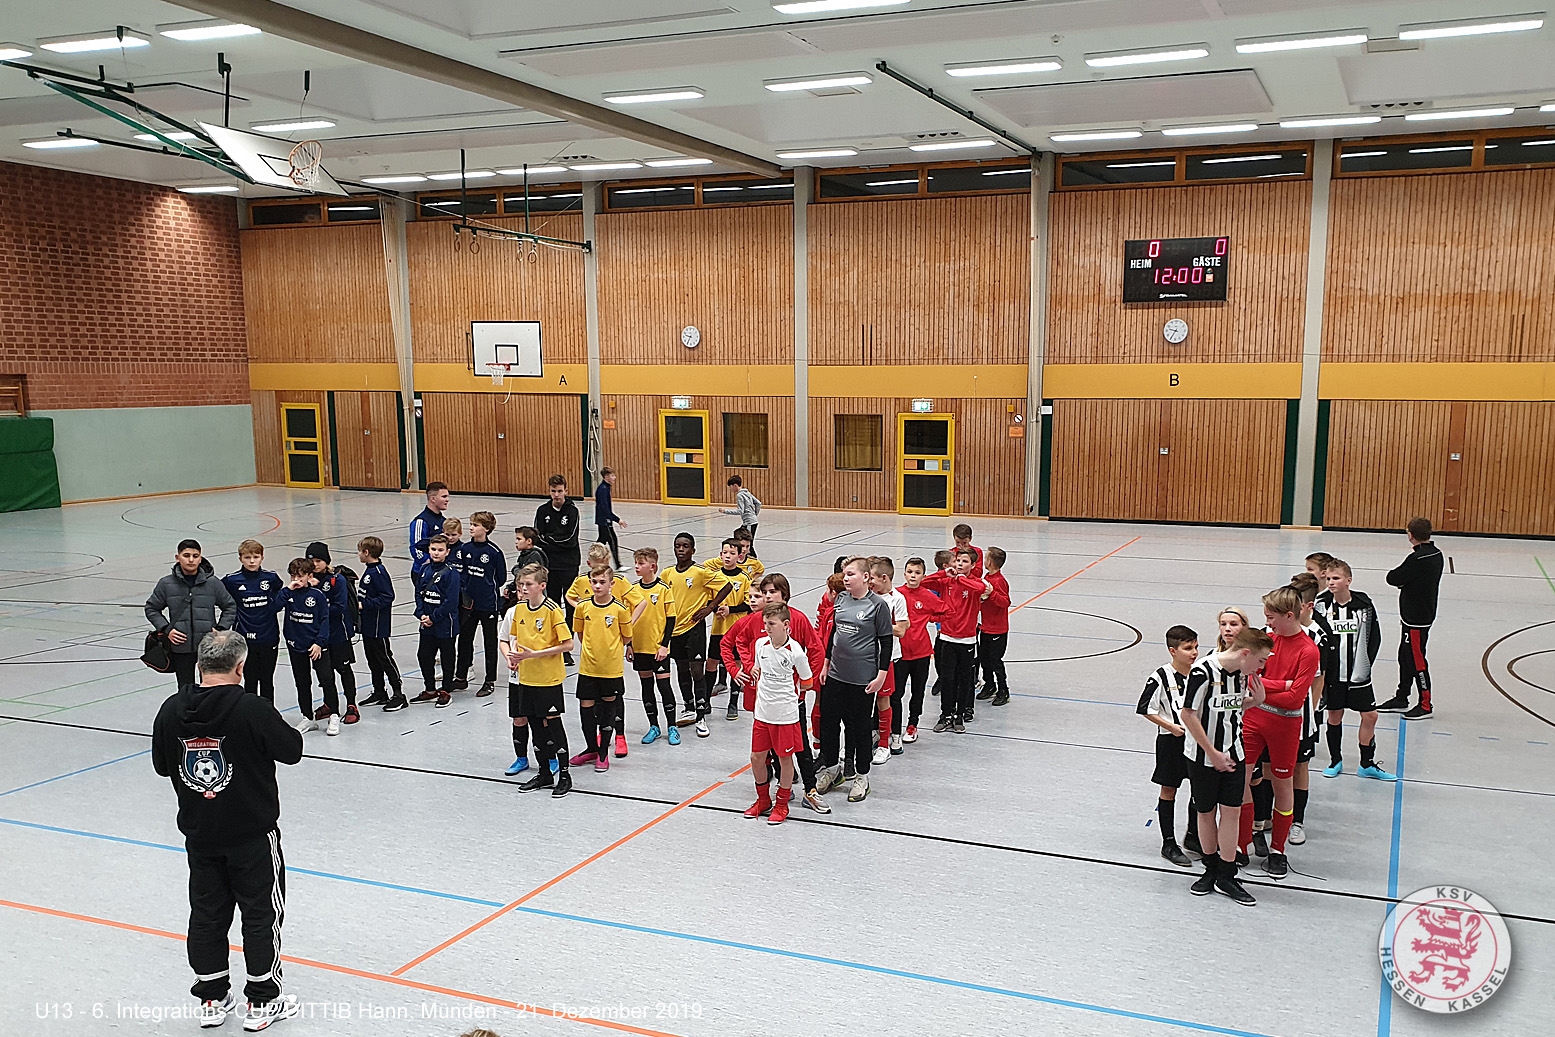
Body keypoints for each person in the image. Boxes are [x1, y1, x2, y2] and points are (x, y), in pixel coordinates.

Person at [150, 630, 303, 1030]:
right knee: (261, 913)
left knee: (206, 914)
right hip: (252, 835)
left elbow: (163, 766)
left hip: (200, 834)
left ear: (200, 665)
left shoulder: (170, 709)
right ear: (241, 667)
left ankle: (212, 998)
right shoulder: (251, 708)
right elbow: (292, 750)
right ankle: (263, 1001)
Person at [723, 572, 830, 813]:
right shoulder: (756, 622)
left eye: (773, 591)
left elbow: (815, 651)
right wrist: (743, 668)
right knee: (766, 750)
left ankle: (810, 789)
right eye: (765, 592)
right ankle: (779, 791)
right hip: (764, 702)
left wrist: (804, 686)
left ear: (785, 594)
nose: (768, 596)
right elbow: (737, 643)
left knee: (800, 747)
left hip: (790, 701)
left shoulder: (797, 620)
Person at [1181, 626, 1273, 907]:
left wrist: (1255, 702)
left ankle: (1226, 874)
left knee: (1232, 812)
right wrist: (1212, 752)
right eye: (1260, 660)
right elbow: (1188, 714)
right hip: (1202, 757)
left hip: (1235, 752)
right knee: (1206, 812)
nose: (1261, 667)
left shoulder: (1241, 675)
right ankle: (1210, 869)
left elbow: (1229, 708)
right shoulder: (1203, 671)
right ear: (1245, 653)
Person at [1239, 586, 1320, 881]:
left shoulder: (1308, 650)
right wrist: (1283, 685)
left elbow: (1296, 699)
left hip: (1285, 724)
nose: (1267, 622)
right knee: (1241, 778)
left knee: (1283, 785)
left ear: (1289, 615)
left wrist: (1267, 687)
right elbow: (1250, 677)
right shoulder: (1268, 640)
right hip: (1254, 719)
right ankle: (1241, 843)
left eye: (1271, 617)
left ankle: (1277, 850)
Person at [815, 557, 894, 804]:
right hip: (835, 675)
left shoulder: (878, 605)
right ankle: (832, 770)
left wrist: (881, 675)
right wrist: (826, 662)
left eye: (850, 574)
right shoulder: (841, 599)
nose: (846, 578)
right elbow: (834, 633)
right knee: (829, 724)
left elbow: (886, 642)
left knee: (859, 728)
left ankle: (862, 776)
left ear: (865, 577)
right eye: (844, 574)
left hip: (862, 680)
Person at [1316, 559, 1395, 781]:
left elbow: (1374, 637)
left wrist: (1365, 664)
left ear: (1348, 580)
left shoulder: (1363, 605)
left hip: (1359, 674)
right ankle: (1335, 760)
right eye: (1328, 579)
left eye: (1336, 578)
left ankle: (1366, 764)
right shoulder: (1322, 605)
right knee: (1334, 716)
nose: (1331, 583)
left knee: (1370, 715)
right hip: (1333, 675)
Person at [502, 563, 575, 797]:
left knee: (553, 725)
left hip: (548, 679)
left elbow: (568, 644)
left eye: (528, 584)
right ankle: (544, 773)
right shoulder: (519, 609)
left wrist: (536, 654)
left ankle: (565, 775)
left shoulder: (552, 610)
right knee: (535, 725)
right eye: (521, 584)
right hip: (526, 678)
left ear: (542, 586)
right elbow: (515, 639)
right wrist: (514, 657)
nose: (523, 588)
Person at [566, 543, 645, 755]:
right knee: (595, 700)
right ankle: (599, 740)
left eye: (604, 565)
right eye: (595, 571)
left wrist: (627, 625)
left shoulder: (618, 584)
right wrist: (583, 610)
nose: (598, 583)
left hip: (612, 651)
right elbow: (570, 599)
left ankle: (620, 735)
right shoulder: (582, 583)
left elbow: (640, 603)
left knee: (614, 698)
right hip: (592, 657)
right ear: (589, 564)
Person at [743, 602, 813, 825]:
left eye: (771, 624)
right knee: (756, 758)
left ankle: (782, 804)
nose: (767, 628)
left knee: (784, 759)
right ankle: (763, 800)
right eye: (765, 623)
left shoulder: (796, 652)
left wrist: (788, 695)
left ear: (786, 625)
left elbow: (807, 682)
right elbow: (759, 669)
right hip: (762, 713)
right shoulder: (760, 644)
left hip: (785, 715)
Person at [1136, 625, 1201, 867]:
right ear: (1173, 651)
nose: (1194, 653)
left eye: (1195, 647)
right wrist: (1171, 727)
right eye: (1188, 648)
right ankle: (1169, 843)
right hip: (1171, 741)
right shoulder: (1160, 676)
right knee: (1169, 789)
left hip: (1196, 740)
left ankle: (1193, 835)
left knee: (1199, 789)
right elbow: (1145, 708)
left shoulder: (1200, 673)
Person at [146, 539, 236, 689]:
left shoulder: (213, 583)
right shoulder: (166, 584)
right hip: (180, 647)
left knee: (210, 687)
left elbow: (230, 606)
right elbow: (151, 608)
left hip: (208, 647)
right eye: (186, 555)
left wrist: (221, 629)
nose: (191, 560)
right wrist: (166, 629)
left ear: (200, 558)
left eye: (195, 556)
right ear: (177, 557)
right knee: (185, 689)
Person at [921, 548, 990, 733]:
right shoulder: (946, 581)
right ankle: (946, 714)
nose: (960, 564)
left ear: (973, 565)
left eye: (965, 561)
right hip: (947, 638)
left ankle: (960, 715)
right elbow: (923, 583)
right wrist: (944, 573)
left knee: (965, 679)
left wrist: (961, 579)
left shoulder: (975, 583)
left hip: (967, 640)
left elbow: (981, 589)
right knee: (947, 678)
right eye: (958, 560)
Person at [1382, 516, 1444, 719]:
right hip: (1415, 615)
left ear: (1410, 535)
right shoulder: (1436, 554)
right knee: (1405, 656)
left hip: (1417, 618)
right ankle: (1402, 697)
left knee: (1417, 660)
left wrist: (1404, 582)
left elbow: (1393, 577)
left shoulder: (1417, 559)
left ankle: (1425, 704)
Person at [662, 533, 717, 735]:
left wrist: (709, 608)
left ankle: (701, 717)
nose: (681, 549)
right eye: (678, 546)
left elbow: (726, 586)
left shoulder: (701, 572)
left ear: (693, 550)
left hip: (694, 630)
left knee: (697, 671)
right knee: (681, 669)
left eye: (685, 546)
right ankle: (689, 707)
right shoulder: (667, 573)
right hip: (675, 630)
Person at [281, 557, 337, 735]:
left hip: (316, 646)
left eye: (300, 576)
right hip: (296, 645)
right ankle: (307, 717)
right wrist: (287, 590)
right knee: (302, 682)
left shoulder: (317, 595)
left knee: (326, 679)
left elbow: (324, 620)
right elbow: (274, 607)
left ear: (309, 576)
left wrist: (319, 642)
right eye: (293, 576)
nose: (297, 580)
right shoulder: (288, 594)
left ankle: (334, 715)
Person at [222, 540, 284, 702]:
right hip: (245, 639)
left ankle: (268, 712)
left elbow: (279, 594)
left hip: (268, 637)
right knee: (250, 680)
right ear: (240, 558)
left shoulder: (271, 578)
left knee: (267, 680)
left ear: (262, 558)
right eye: (247, 557)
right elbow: (219, 596)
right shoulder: (231, 581)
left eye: (255, 557)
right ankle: (250, 713)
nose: (251, 561)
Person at [629, 548, 679, 747]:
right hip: (639, 648)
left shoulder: (663, 589)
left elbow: (671, 619)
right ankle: (654, 726)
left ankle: (672, 726)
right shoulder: (632, 590)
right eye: (636, 563)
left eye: (641, 563)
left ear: (652, 566)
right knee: (646, 687)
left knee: (664, 687)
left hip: (658, 649)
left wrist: (664, 645)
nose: (636, 567)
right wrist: (629, 645)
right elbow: (627, 620)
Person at [306, 543, 360, 725]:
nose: (315, 564)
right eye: (311, 561)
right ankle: (330, 703)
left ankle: (351, 705)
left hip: (338, 634)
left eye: (318, 560)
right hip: (317, 636)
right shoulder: (307, 581)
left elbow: (339, 606)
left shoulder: (337, 580)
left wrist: (318, 606)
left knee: (343, 669)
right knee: (324, 673)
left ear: (327, 561)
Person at [455, 512, 506, 698]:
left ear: (486, 529)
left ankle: (489, 680)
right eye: (471, 524)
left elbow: (501, 578)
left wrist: (486, 588)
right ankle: (461, 677)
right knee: (464, 640)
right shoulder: (465, 549)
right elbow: (461, 573)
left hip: (488, 604)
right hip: (469, 604)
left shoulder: (494, 552)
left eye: (475, 525)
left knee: (489, 643)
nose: (471, 527)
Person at [894, 557, 943, 746]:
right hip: (900, 653)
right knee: (896, 693)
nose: (913, 576)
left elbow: (946, 611)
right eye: (910, 572)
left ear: (923, 575)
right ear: (904, 573)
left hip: (921, 653)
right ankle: (893, 729)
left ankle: (912, 724)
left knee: (918, 691)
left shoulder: (928, 596)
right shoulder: (897, 594)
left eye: (917, 572)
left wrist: (931, 618)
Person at [867, 558, 909, 766]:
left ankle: (885, 744)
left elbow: (900, 630)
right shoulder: (867, 596)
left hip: (888, 657)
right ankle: (865, 738)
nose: (869, 583)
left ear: (884, 578)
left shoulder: (897, 599)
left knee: (885, 699)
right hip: (865, 657)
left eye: (872, 579)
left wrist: (877, 624)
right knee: (864, 701)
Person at [706, 539, 753, 720]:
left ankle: (733, 703)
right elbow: (708, 600)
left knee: (736, 664)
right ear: (720, 555)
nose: (728, 556)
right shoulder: (714, 577)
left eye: (732, 553)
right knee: (711, 662)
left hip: (737, 630)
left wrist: (730, 610)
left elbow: (749, 604)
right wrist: (715, 608)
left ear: (739, 556)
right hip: (718, 629)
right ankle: (706, 700)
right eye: (725, 553)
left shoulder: (744, 578)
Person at [356, 536, 405, 712]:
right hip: (368, 626)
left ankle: (399, 694)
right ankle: (379, 691)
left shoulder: (378, 572)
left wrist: (365, 604)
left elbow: (387, 596)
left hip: (378, 626)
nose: (358, 555)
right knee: (372, 659)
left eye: (360, 551)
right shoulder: (369, 571)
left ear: (366, 552)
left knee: (384, 658)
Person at [413, 535, 460, 707]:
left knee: (447, 657)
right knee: (424, 655)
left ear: (447, 552)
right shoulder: (424, 569)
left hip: (445, 623)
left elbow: (451, 601)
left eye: (440, 550)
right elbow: (419, 593)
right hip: (426, 622)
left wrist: (434, 617)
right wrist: (421, 614)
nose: (436, 553)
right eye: (433, 549)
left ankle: (446, 690)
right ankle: (430, 689)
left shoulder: (451, 572)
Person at [535, 474, 583, 623]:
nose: (556, 495)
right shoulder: (542, 511)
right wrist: (556, 541)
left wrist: (550, 539)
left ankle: (569, 632)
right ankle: (555, 631)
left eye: (560, 491)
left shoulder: (572, 511)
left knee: (570, 601)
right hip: (550, 565)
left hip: (569, 564)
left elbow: (571, 540)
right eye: (553, 491)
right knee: (552, 602)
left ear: (566, 491)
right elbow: (538, 538)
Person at [976, 547, 1012, 708]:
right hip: (986, 627)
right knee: (984, 658)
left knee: (995, 660)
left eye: (986, 558)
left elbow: (1005, 602)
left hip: (998, 629)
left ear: (990, 562)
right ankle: (989, 684)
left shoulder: (999, 581)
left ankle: (1003, 690)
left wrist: (992, 594)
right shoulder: (987, 578)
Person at [409, 482, 449, 593]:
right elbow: (416, 548)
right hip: (423, 572)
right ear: (432, 499)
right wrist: (429, 565)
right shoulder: (421, 521)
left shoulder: (444, 521)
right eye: (444, 496)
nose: (447, 500)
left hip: (440, 571)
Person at [502, 526, 547, 607]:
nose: (516, 542)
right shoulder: (524, 555)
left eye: (519, 539)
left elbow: (526, 575)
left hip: (533, 598)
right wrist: (510, 587)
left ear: (529, 541)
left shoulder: (534, 556)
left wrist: (515, 569)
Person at [720, 475, 762, 556]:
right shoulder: (747, 493)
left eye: (731, 487)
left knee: (748, 542)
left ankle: (753, 559)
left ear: (735, 485)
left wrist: (725, 511)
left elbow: (740, 511)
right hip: (749, 522)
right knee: (738, 535)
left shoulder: (739, 495)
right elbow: (758, 503)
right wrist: (754, 515)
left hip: (750, 523)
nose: (730, 489)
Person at [594, 467, 627, 570]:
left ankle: (594, 559)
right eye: (612, 476)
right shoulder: (603, 490)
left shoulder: (605, 488)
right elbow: (605, 509)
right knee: (612, 541)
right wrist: (617, 519)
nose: (615, 478)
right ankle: (618, 565)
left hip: (604, 520)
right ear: (606, 477)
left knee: (601, 542)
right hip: (604, 521)